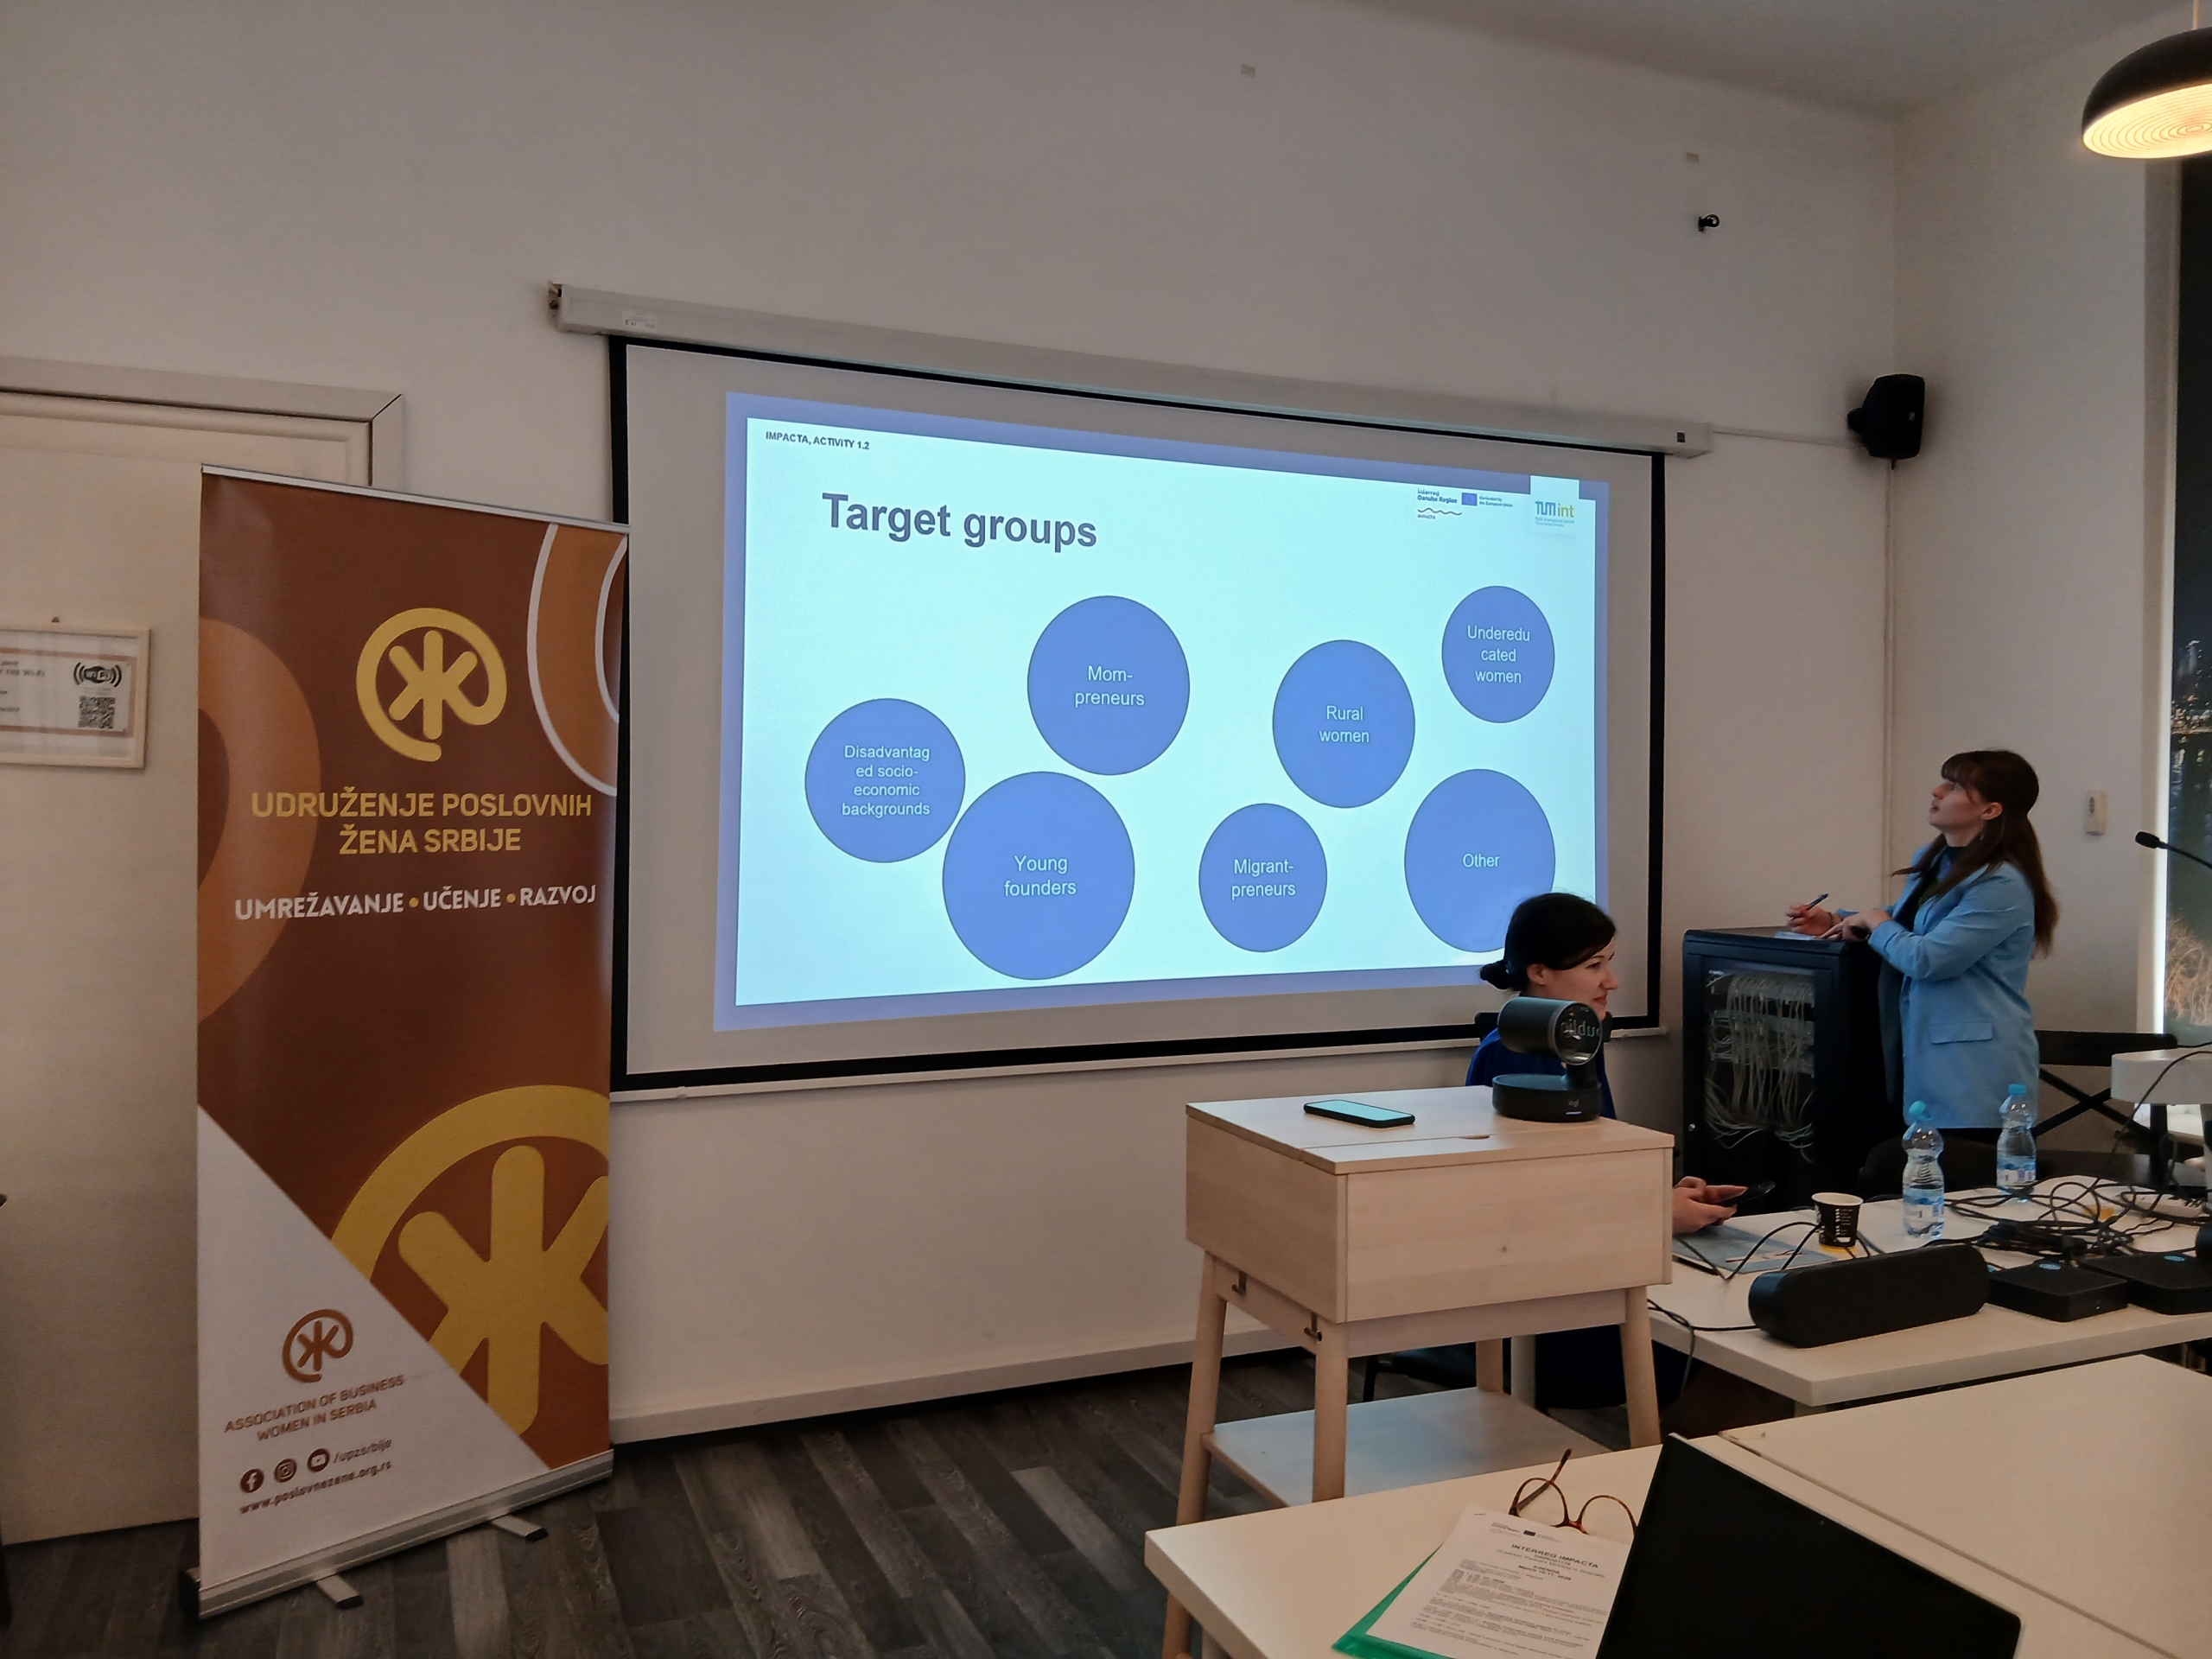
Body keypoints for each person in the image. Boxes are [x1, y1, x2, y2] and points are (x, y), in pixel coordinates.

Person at [1787, 749, 2056, 1136]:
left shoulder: (2001, 882)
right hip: (1919, 1052)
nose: (1937, 791)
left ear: (1991, 810)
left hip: (1972, 1066)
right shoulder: (1936, 860)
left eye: (1955, 786)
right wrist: (1837, 920)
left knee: (1958, 1171)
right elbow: (1914, 922)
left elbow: (1929, 959)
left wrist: (1874, 921)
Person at [1471, 892, 1746, 1232]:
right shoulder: (1507, 1053)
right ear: (1539, 972)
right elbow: (1534, 1195)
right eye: (1593, 966)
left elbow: (1598, 1154)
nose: (1612, 981)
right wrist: (1655, 1214)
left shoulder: (1579, 1038)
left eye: (1609, 962)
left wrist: (1662, 1196)